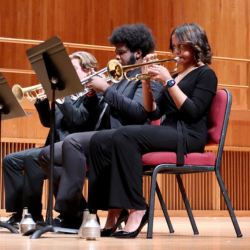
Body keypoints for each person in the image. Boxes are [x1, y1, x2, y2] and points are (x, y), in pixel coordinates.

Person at [87, 23, 218, 238]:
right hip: (170, 130)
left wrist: (168, 81)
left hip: (188, 135)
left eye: (181, 48)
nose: (175, 53)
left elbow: (193, 112)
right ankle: (113, 208)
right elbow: (153, 112)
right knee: (100, 140)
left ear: (196, 46)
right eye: (173, 47)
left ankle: (138, 208)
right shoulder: (180, 75)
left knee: (124, 134)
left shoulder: (205, 74)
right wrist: (146, 81)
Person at [38, 23, 163, 230]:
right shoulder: (121, 78)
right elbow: (98, 111)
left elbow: (139, 112)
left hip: (129, 137)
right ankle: (78, 211)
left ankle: (77, 214)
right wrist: (91, 93)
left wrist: (105, 89)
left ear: (138, 53)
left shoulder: (147, 79)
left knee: (73, 142)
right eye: (116, 52)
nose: (116, 58)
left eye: (121, 53)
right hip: (106, 135)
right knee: (47, 155)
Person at [2, 51, 99, 229]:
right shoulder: (68, 95)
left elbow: (78, 120)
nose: (67, 73)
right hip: (53, 146)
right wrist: (41, 102)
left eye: (73, 69)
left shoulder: (94, 95)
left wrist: (61, 98)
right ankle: (19, 212)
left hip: (75, 149)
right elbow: (49, 122)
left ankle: (32, 213)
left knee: (31, 158)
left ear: (89, 70)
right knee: (10, 160)